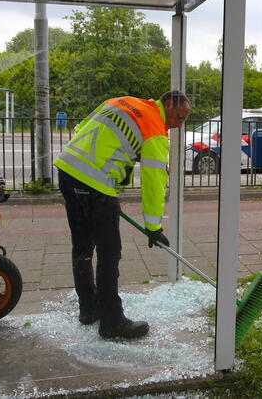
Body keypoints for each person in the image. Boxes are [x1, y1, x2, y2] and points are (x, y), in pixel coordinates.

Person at [54, 91, 191, 340]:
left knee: (82, 247)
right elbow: (154, 181)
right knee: (110, 253)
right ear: (168, 104)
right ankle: (112, 322)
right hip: (95, 184)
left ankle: (88, 309)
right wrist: (153, 227)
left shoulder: (121, 102)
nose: (179, 124)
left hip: (67, 170)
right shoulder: (154, 129)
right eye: (179, 117)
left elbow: (83, 127)